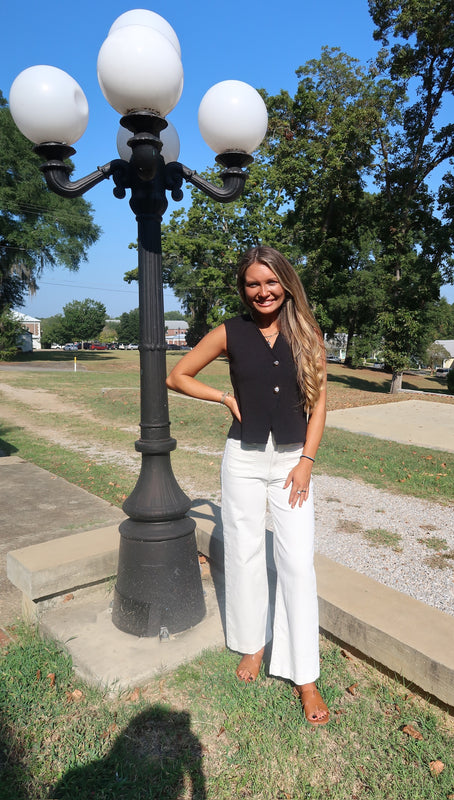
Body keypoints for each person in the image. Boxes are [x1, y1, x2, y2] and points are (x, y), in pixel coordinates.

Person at [166, 245, 329, 726]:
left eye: (271, 282)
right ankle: (252, 645)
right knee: (243, 552)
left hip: (291, 463)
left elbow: (318, 405)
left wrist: (306, 462)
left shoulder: (308, 335)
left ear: (286, 283)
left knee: (296, 562)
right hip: (243, 459)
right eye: (253, 284)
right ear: (244, 289)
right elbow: (178, 376)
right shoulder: (230, 332)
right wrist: (223, 397)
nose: (262, 292)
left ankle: (305, 677)